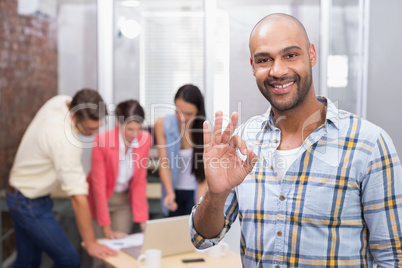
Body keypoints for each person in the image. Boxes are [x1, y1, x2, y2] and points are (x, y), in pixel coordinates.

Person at [191, 13, 402, 267]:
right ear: (252, 66)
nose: (278, 70)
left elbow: (393, 257)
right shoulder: (243, 141)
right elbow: (203, 238)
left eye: (290, 55)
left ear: (311, 55)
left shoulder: (369, 144)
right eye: (264, 59)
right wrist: (216, 194)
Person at [6, 89, 117, 268]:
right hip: (27, 202)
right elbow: (78, 198)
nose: (95, 133)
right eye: (90, 128)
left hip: (22, 192)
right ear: (74, 118)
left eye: (99, 126)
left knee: (28, 261)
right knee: (68, 260)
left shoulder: (61, 101)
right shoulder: (65, 140)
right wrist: (91, 243)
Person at [87, 99, 151, 267]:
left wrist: (143, 219)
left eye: (139, 128)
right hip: (99, 201)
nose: (135, 134)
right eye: (129, 128)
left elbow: (139, 182)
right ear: (118, 123)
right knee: (100, 257)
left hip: (123, 202)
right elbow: (98, 187)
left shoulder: (145, 139)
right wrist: (107, 229)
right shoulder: (102, 140)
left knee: (119, 257)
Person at [154, 84, 207, 217]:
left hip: (196, 193)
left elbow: (204, 174)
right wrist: (170, 193)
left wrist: (199, 205)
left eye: (188, 114)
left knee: (193, 235)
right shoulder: (162, 124)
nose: (182, 117)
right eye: (178, 111)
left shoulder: (206, 129)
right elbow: (164, 164)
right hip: (173, 191)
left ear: (198, 112)